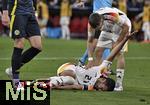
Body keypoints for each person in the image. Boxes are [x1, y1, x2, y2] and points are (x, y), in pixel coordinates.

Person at [32, 31, 136, 91]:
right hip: (69, 68)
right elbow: (113, 54)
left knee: (69, 80)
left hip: (69, 78)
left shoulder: (90, 87)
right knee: (71, 75)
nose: (99, 89)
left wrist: (59, 88)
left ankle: (35, 84)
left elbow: (75, 86)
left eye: (101, 90)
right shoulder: (100, 70)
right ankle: (49, 82)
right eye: (102, 88)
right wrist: (125, 40)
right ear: (104, 81)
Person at [86, 7, 132, 91]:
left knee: (118, 53)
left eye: (98, 27)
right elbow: (90, 41)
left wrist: (118, 42)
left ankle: (119, 84)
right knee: (98, 52)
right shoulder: (91, 24)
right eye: (96, 28)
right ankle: (99, 78)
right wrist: (90, 59)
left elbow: (126, 27)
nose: (98, 29)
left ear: (101, 21)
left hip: (121, 28)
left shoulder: (112, 15)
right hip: (108, 28)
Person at [2, 0, 42, 90]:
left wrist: (35, 12)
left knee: (37, 46)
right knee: (19, 43)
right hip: (17, 12)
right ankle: (16, 82)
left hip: (30, 13)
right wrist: (4, 12)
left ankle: (12, 70)